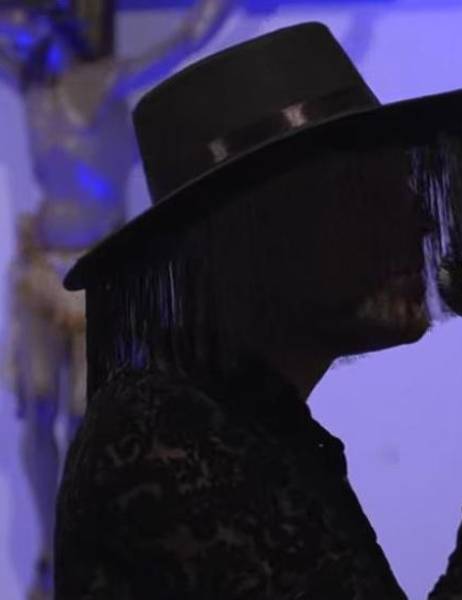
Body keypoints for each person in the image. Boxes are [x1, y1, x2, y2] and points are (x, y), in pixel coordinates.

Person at [54, 22, 462, 599]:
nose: (419, 220)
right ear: (262, 236)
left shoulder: (262, 431)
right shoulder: (161, 431)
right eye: (367, 194)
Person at [0, 2, 232, 596]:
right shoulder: (30, 87)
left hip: (97, 273)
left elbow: (185, 40)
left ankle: (84, 541)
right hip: (39, 271)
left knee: (85, 416)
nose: (12, 31)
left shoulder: (100, 82)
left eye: (20, 21)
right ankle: (51, 548)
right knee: (37, 408)